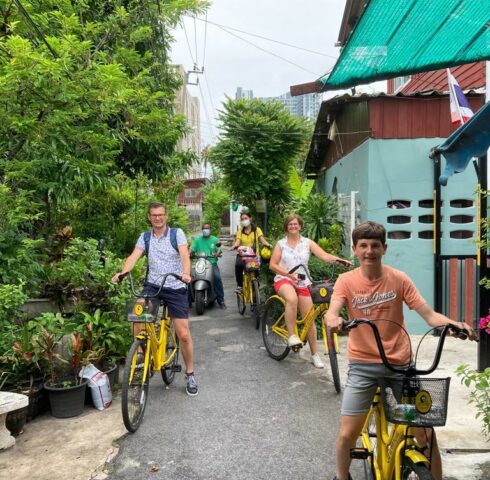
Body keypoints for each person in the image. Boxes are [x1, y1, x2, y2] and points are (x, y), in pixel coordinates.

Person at [324, 221, 476, 480]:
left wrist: (453, 324)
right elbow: (332, 311)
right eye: (363, 246)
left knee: (427, 435)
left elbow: (429, 316)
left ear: (384, 248)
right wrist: (334, 320)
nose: (369, 251)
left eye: (375, 246)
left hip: (401, 367)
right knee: (347, 435)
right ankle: (341, 476)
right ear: (354, 249)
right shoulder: (346, 281)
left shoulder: (399, 279)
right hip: (363, 367)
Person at [111, 202, 198, 397]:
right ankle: (140, 354)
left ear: (166, 216)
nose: (157, 218)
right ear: (149, 217)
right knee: (137, 313)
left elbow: (184, 254)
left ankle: (190, 373)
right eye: (154, 215)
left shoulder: (177, 234)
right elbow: (134, 256)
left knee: (183, 334)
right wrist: (123, 273)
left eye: (160, 215)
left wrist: (185, 273)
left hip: (175, 285)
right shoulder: (145, 237)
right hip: (153, 286)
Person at [269, 214, 352, 369]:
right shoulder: (281, 244)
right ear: (286, 227)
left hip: (304, 281)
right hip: (284, 278)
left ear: (300, 226)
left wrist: (340, 261)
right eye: (290, 224)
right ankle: (292, 336)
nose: (293, 226)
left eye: (295, 224)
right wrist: (288, 274)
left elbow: (324, 255)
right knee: (291, 299)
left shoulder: (307, 243)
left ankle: (314, 355)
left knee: (309, 319)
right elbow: (273, 265)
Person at [229, 211, 272, 291]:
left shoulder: (257, 230)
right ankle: (240, 286)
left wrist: (268, 244)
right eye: (242, 219)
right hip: (243, 255)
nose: (244, 220)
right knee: (238, 266)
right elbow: (238, 241)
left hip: (254, 256)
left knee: (255, 273)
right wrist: (234, 246)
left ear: (250, 219)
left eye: (246, 218)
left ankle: (255, 288)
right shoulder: (240, 232)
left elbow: (262, 240)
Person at [190, 222, 227, 309]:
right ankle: (189, 301)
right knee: (189, 278)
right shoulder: (197, 240)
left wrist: (217, 253)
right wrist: (189, 253)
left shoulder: (215, 240)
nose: (205, 230)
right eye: (204, 229)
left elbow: (219, 249)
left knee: (217, 278)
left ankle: (221, 300)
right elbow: (192, 249)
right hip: (199, 263)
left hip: (211, 263)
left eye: (207, 228)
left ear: (210, 230)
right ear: (202, 230)